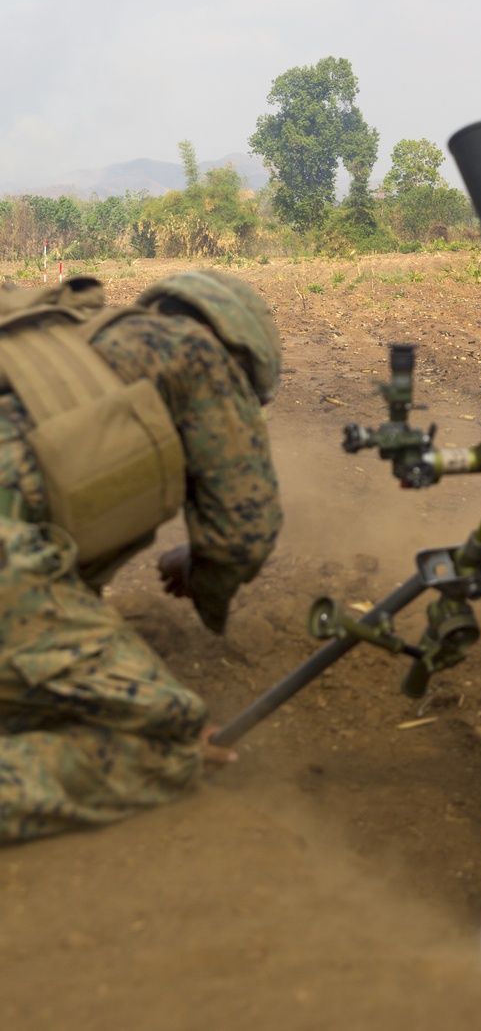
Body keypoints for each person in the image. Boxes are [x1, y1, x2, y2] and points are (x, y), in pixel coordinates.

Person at [0, 269, 282, 843]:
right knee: (166, 739)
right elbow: (244, 532)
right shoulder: (198, 352)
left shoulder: (62, 340)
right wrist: (207, 581)